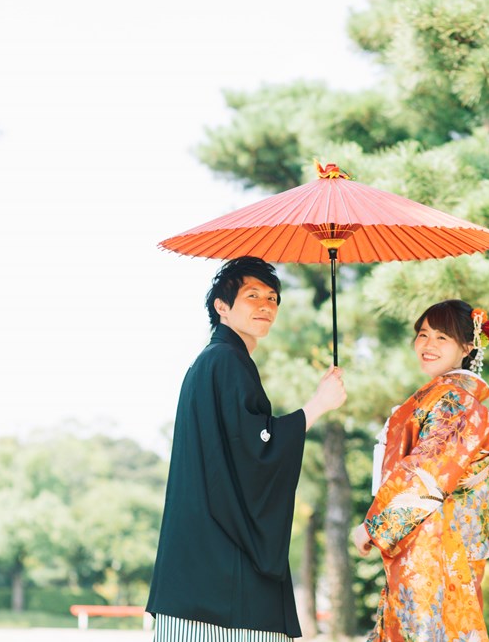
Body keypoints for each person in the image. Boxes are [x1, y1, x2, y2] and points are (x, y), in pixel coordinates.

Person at [146, 256, 347, 641]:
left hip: (197, 562)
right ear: (222, 306)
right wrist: (318, 405)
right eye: (252, 295)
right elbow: (256, 450)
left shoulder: (216, 360)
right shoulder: (226, 360)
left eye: (272, 298)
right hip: (220, 571)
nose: (266, 305)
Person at [351, 299, 489, 642]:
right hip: (439, 543)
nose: (428, 344)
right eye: (423, 334)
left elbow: (428, 471)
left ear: (467, 347)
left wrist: (375, 526)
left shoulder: (455, 401)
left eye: (442, 337)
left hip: (433, 546)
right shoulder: (449, 399)